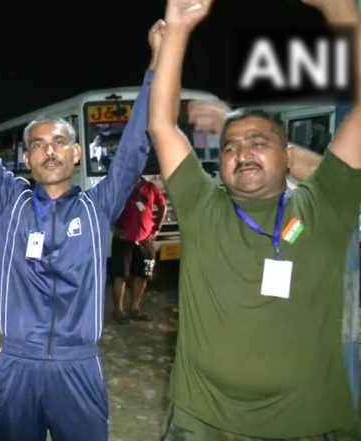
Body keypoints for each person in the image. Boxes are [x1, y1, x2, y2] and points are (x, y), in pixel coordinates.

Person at [0, 20, 159, 441]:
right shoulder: (9, 200)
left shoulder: (97, 207)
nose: (48, 149)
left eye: (58, 142)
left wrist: (157, 65)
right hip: (18, 366)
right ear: (27, 159)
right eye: (37, 144)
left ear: (75, 155)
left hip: (78, 368)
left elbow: (134, 148)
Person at [149, 0, 361, 438]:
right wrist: (179, 29)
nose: (242, 152)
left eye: (258, 142)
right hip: (200, 422)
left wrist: (343, 16)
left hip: (305, 425)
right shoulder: (203, 206)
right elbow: (163, 127)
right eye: (229, 147)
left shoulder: (326, 204)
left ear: (288, 157)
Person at [110, 175, 167, 324]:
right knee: (120, 276)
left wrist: (157, 228)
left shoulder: (150, 188)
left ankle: (135, 308)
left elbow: (163, 206)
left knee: (143, 275)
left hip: (144, 241)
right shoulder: (119, 186)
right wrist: (112, 227)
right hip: (123, 240)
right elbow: (105, 206)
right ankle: (118, 311)